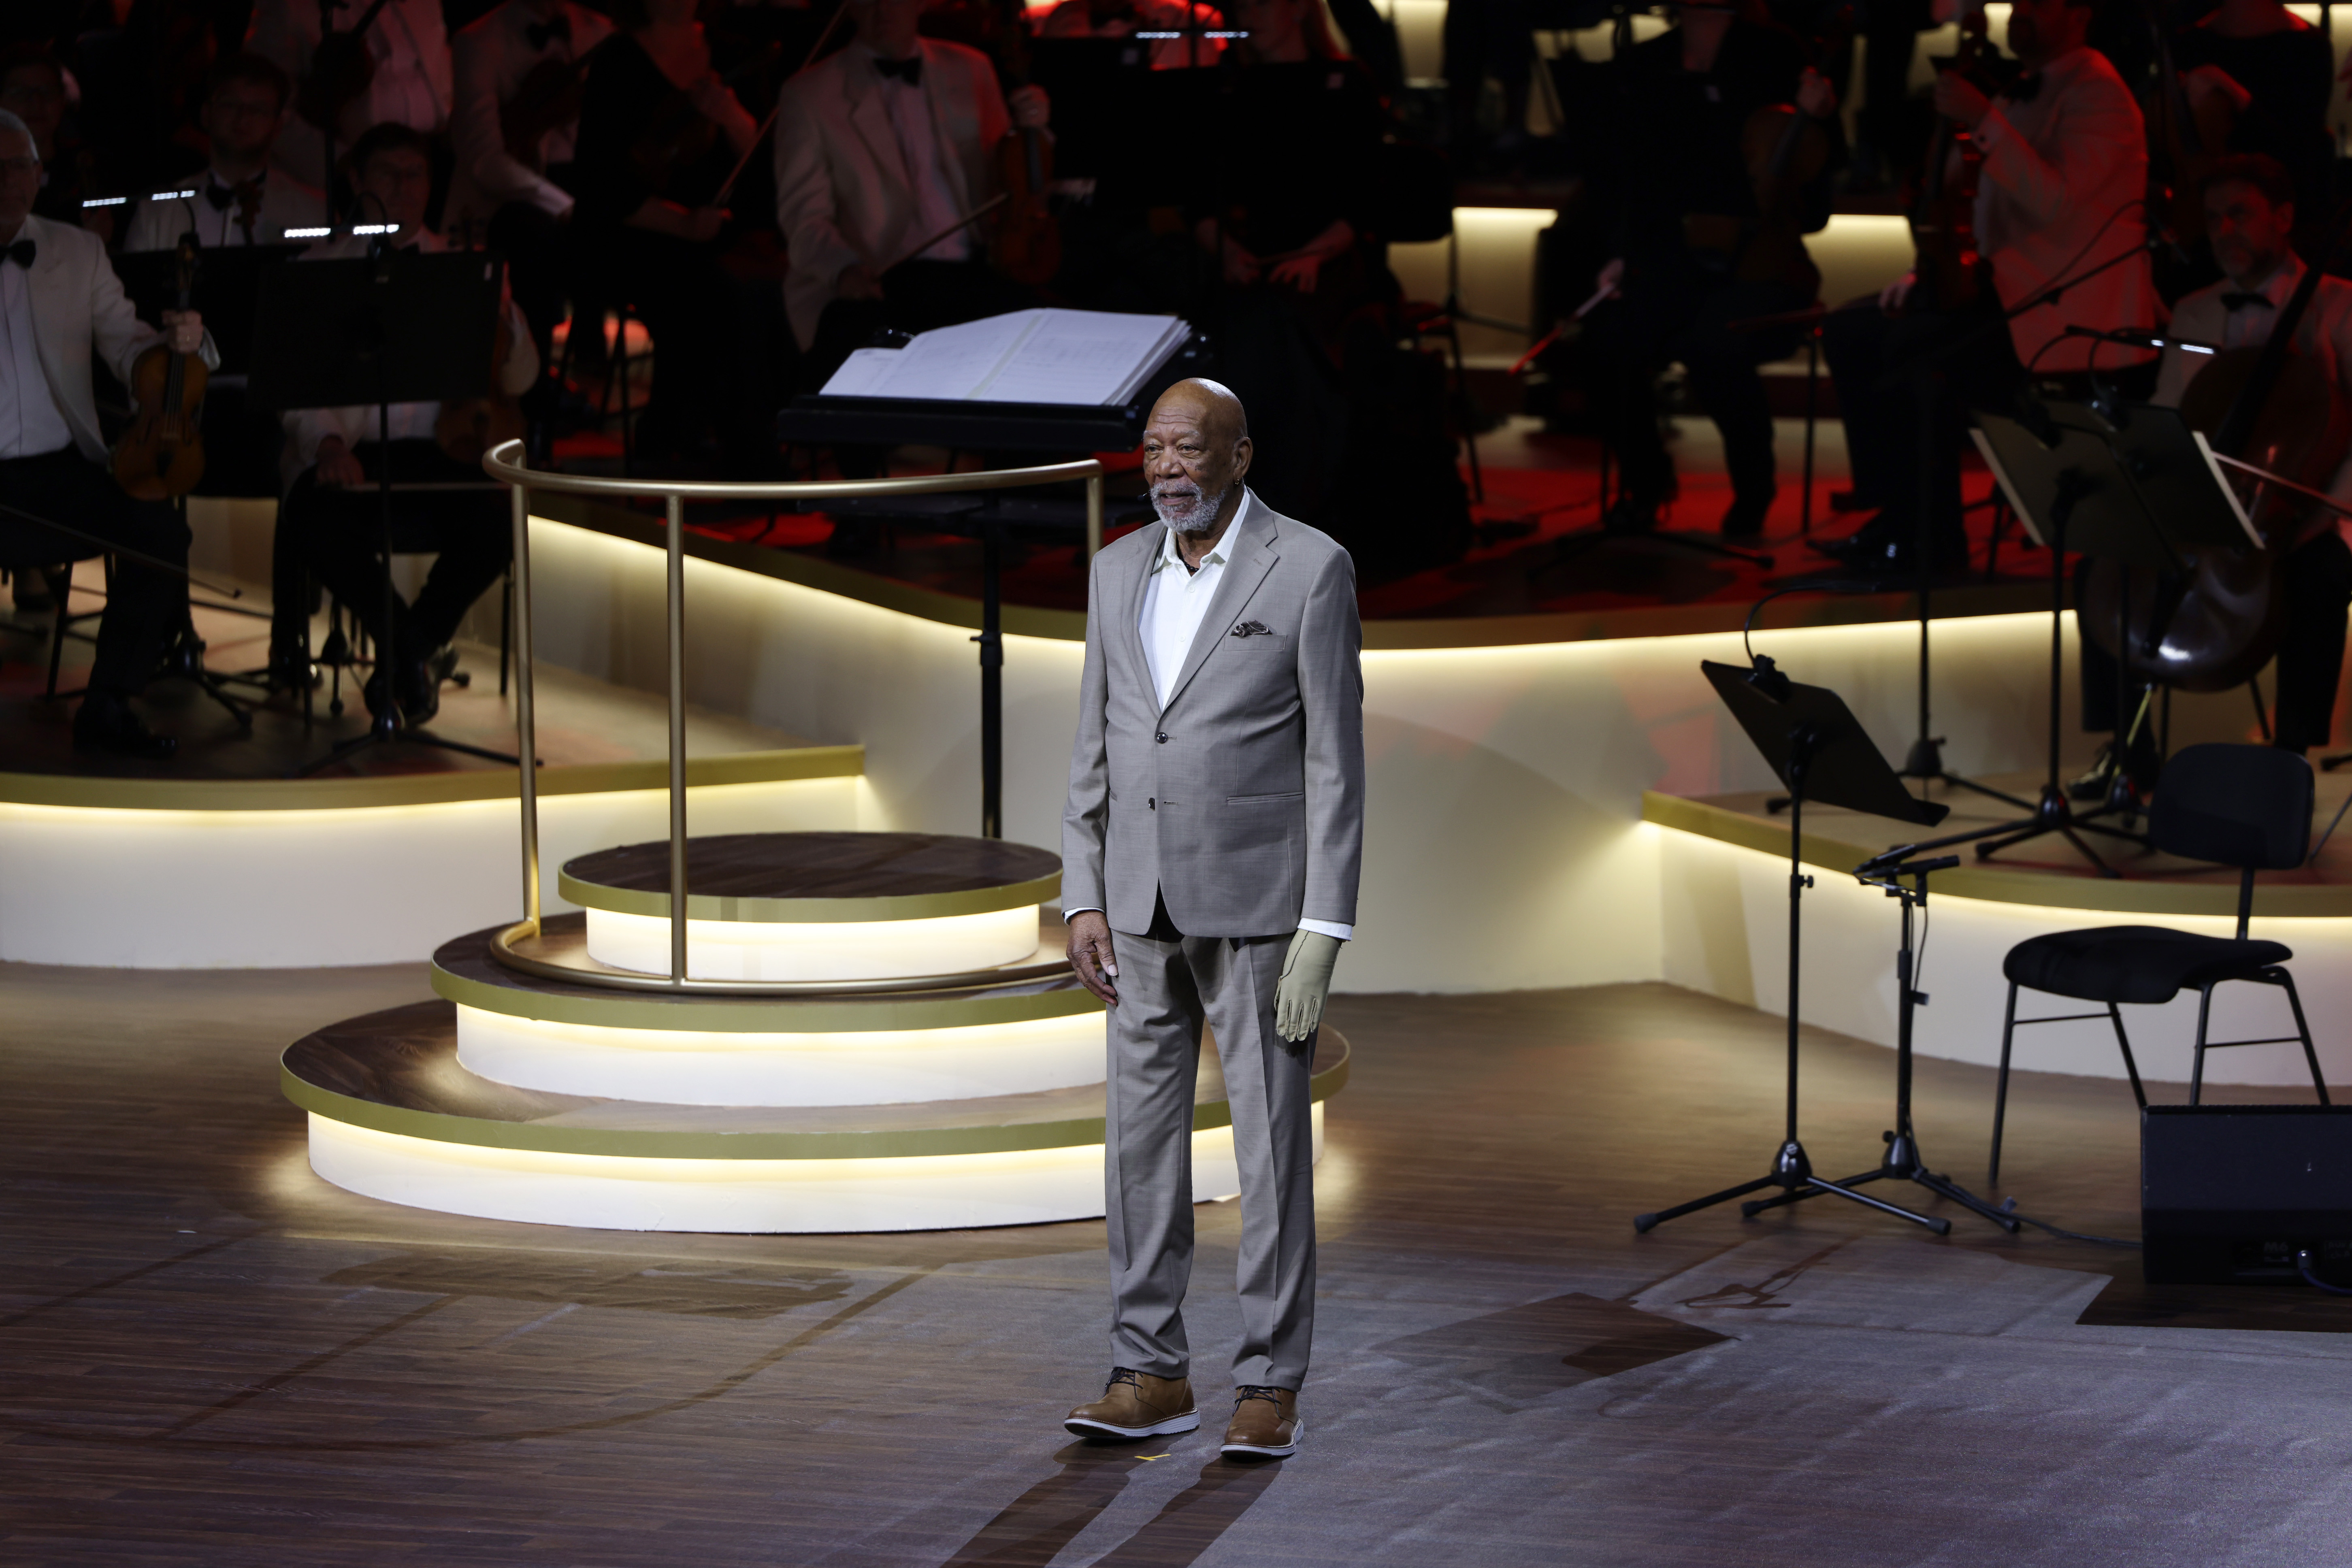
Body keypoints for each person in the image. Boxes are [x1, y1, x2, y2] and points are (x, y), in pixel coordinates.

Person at [1059, 378, 1364, 1463]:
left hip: (1260, 911)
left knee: (1272, 1152)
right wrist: (1082, 892)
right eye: (1153, 449)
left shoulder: (1311, 567)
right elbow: (1096, 740)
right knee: (1138, 1152)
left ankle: (1272, 1383)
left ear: (1239, 456)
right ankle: (1149, 1371)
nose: (1167, 467)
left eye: (1189, 449)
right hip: (1134, 907)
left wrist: (1324, 928)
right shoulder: (1114, 570)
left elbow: (1334, 763)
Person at [1815, 0, 2157, 576]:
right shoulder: (2024, 89)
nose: (2021, 13)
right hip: (2008, 292)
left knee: (1917, 356)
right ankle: (1898, 516)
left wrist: (1983, 120)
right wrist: (1923, 275)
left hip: (2070, 309)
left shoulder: (2099, 93)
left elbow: (2055, 201)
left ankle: (1933, 541)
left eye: (2039, 5)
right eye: (2019, 4)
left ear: (2080, 14)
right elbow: (1981, 209)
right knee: (1852, 329)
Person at [2083, 156, 2352, 765]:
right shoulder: (2195, 311)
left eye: (2240, 215)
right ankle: (2128, 748)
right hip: (2203, 505)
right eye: (2212, 219)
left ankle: (2291, 754)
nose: (2223, 231)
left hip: (2309, 510)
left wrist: (2308, 515)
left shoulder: (2341, 307)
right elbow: (2170, 415)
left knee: (2319, 579)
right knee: (2104, 571)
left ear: (2283, 218)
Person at [268, 122, 536, 716]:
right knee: (313, 515)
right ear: (358, 182)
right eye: (388, 173)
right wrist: (330, 444)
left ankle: (405, 653)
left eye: (415, 174)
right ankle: (412, 654)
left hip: (446, 451)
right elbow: (299, 389)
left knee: (499, 524)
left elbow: (519, 382)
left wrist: (507, 319)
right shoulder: (318, 267)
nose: (403, 186)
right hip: (352, 450)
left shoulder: (466, 267)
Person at [1582, 0, 1840, 537]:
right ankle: (1646, 483)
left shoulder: (1775, 52)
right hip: (1673, 252)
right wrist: (1622, 252)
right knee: (1606, 341)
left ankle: (1754, 490)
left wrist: (1816, 119)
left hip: (1763, 259)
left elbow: (1812, 190)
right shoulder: (1644, 60)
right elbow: (1629, 175)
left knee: (1714, 345)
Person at [0, 109, 213, 759]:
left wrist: (184, 343)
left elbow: (130, 348)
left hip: (60, 466)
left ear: (38, 176)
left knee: (161, 535)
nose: (4, 179)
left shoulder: (77, 250)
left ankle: (108, 704)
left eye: (16, 165)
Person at [772, 0, 1049, 374]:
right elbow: (805, 219)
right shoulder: (808, 94)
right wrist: (844, 270)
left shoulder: (971, 68)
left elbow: (1010, 176)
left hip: (976, 268)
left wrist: (1035, 129)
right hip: (883, 278)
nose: (882, 9)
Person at [570, 0, 766, 464]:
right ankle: (678, 440)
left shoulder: (732, 51)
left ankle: (744, 438)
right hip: (638, 231)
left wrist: (733, 117)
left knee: (766, 293)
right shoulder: (618, 59)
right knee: (705, 296)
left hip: (719, 228)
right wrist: (681, 223)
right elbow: (601, 183)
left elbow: (765, 163)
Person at [445, 0, 614, 388]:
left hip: (590, 192)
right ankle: (533, 391)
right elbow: (485, 159)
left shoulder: (602, 32)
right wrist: (565, 207)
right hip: (521, 202)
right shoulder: (479, 41)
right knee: (528, 236)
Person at [246, 0, 452, 194]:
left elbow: (444, 82)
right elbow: (269, 109)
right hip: (342, 184)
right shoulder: (292, 7)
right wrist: (346, 169)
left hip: (433, 169)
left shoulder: (424, 4)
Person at [123, 54, 326, 250]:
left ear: (277, 127)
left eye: (258, 109)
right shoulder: (158, 212)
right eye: (230, 105)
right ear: (206, 115)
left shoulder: (313, 213)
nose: (243, 117)